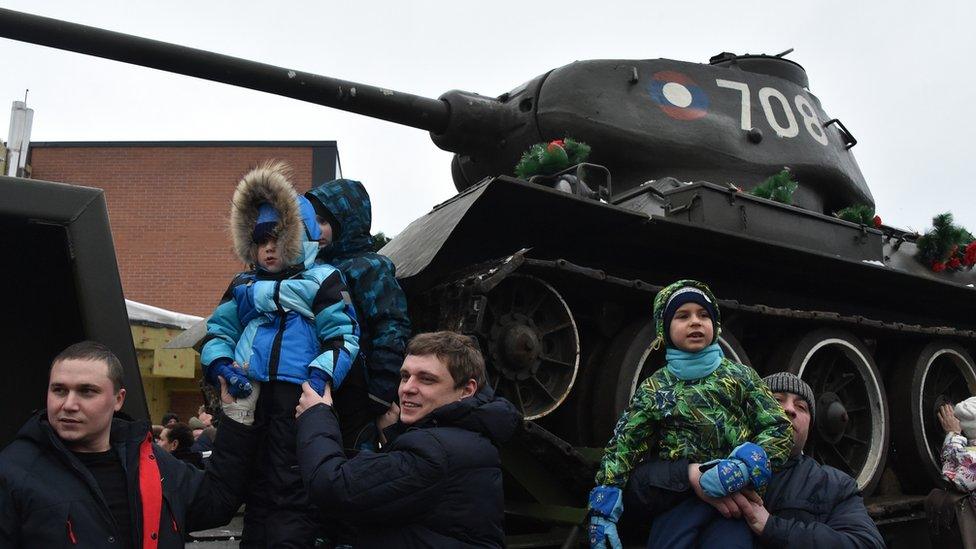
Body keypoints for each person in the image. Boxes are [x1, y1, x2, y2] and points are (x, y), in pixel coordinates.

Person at [200, 160, 360, 548]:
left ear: (298, 238)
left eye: (277, 238)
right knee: (251, 477)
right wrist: (221, 363)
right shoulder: (243, 284)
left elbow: (343, 335)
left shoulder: (323, 279)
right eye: (260, 241)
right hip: (248, 392)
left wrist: (319, 378)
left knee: (292, 483)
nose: (268, 249)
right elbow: (219, 331)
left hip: (297, 395)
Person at [588, 279, 794, 549]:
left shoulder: (740, 376)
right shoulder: (654, 387)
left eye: (704, 315)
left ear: (715, 325)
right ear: (664, 329)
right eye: (683, 316)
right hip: (676, 501)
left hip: (732, 501)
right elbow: (624, 445)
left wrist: (745, 466)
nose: (695, 322)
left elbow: (778, 427)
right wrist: (603, 506)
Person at [0, 340, 260, 548]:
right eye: (59, 390)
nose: (68, 404)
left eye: (87, 391)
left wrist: (237, 418)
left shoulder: (152, 462)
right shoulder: (13, 473)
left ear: (118, 399)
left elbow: (217, 502)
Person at [294, 331, 521, 548]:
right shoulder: (468, 437)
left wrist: (316, 414)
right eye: (405, 377)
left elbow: (333, 487)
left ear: (466, 390)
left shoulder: (435, 453)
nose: (407, 389)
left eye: (427, 379)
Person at [621, 371, 884, 548]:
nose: (788, 409)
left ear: (810, 425)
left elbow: (866, 544)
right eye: (776, 400)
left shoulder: (833, 484)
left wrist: (772, 527)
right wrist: (690, 476)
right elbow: (631, 492)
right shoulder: (712, 461)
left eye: (801, 407)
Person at [305, 179, 412, 449]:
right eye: (309, 220)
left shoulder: (368, 268)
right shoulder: (312, 270)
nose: (315, 229)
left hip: (360, 392)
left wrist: (380, 391)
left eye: (323, 221)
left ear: (345, 222)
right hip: (323, 380)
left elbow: (391, 326)